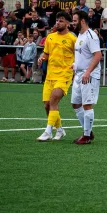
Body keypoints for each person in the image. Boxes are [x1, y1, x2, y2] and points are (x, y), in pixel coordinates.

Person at [35, 12, 77, 142]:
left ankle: (48, 132)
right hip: (50, 75)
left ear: (68, 24)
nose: (58, 23)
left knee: (53, 101)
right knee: (47, 105)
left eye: (61, 21)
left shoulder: (73, 39)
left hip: (64, 75)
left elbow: (80, 55)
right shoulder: (50, 37)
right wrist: (42, 57)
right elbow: (46, 53)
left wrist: (77, 64)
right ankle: (59, 130)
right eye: (57, 20)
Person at [69, 10, 102, 145]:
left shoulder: (91, 36)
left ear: (82, 21)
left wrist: (88, 72)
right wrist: (75, 65)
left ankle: (87, 136)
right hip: (79, 74)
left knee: (87, 105)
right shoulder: (80, 35)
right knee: (75, 103)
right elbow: (83, 55)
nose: (73, 23)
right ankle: (87, 130)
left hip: (89, 75)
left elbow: (98, 55)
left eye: (75, 20)